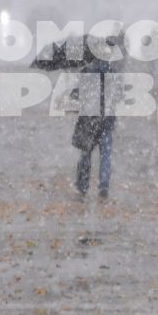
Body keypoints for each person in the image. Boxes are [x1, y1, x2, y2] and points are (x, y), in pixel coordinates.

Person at [37, 31, 121, 200]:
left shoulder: (87, 71)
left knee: (86, 154)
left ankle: (82, 188)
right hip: (107, 119)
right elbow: (120, 95)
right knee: (106, 154)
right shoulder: (113, 73)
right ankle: (103, 187)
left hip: (88, 119)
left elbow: (76, 96)